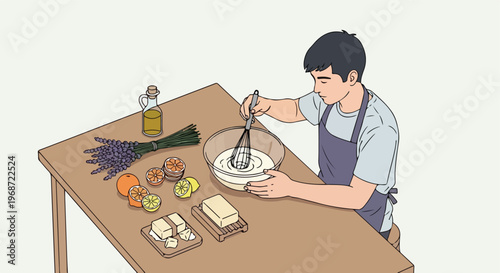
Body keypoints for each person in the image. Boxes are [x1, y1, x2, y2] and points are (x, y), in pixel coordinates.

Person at [241, 30, 399, 240]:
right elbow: (295, 110)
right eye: (315, 79)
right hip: (325, 198)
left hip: (365, 222)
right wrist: (266, 105)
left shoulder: (379, 128)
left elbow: (356, 197)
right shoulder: (327, 100)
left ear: (351, 77)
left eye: (324, 80)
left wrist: (290, 188)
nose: (316, 88)